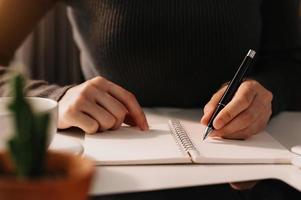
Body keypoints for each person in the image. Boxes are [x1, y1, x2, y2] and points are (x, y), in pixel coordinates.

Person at [0, 0, 300, 199]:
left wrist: (267, 92)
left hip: (248, 174)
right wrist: (58, 98)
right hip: (115, 177)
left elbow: (290, 61)